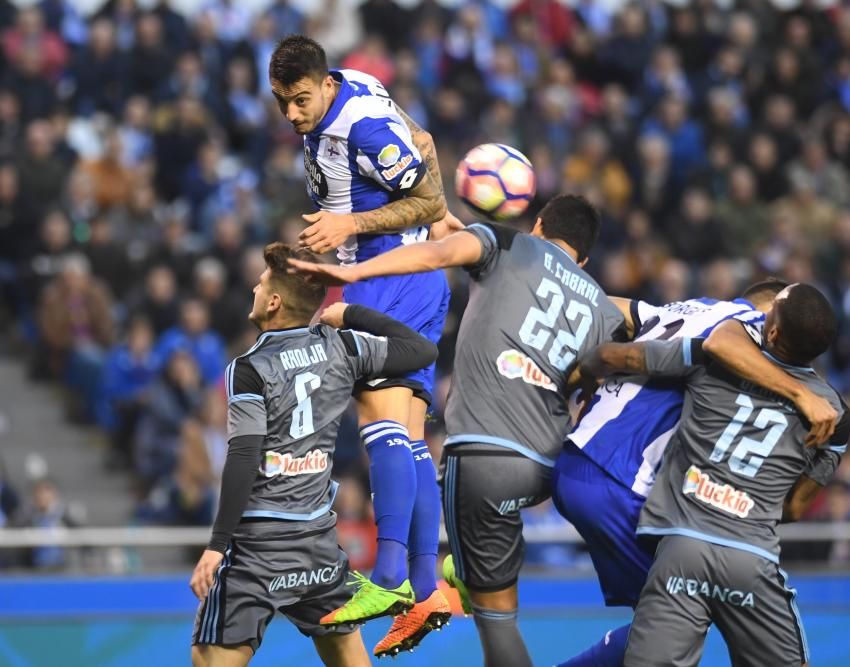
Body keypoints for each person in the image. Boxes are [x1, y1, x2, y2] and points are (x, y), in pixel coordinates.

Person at [290, 194, 627, 665]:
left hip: (483, 455)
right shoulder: (601, 306)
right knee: (482, 558)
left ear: (538, 224)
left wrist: (353, 274)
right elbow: (587, 381)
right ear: (585, 257)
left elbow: (434, 254)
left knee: (498, 625)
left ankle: (429, 579)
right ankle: (460, 574)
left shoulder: (511, 246)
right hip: (546, 466)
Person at [268, 34, 453, 640]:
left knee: (380, 432)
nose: (292, 115)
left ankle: (392, 572)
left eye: (299, 101)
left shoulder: (359, 127)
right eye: (281, 103)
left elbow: (425, 199)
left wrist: (352, 222)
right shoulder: (357, 86)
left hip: (382, 275)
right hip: (419, 278)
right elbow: (421, 142)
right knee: (409, 435)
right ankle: (427, 589)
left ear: (324, 85)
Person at [551, 281, 839, 666]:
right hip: (645, 494)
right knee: (679, 619)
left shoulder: (696, 315)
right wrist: (801, 395)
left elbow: (607, 316)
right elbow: (795, 507)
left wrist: (579, 371)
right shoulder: (823, 403)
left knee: (665, 626)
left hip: (583, 465)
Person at [188, 242, 437, 667]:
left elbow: (244, 456)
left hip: (258, 548)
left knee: (206, 659)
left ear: (274, 301)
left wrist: (217, 545)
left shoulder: (248, 368)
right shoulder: (341, 347)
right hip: (316, 544)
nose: (254, 285)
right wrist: (351, 314)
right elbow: (421, 351)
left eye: (261, 282)